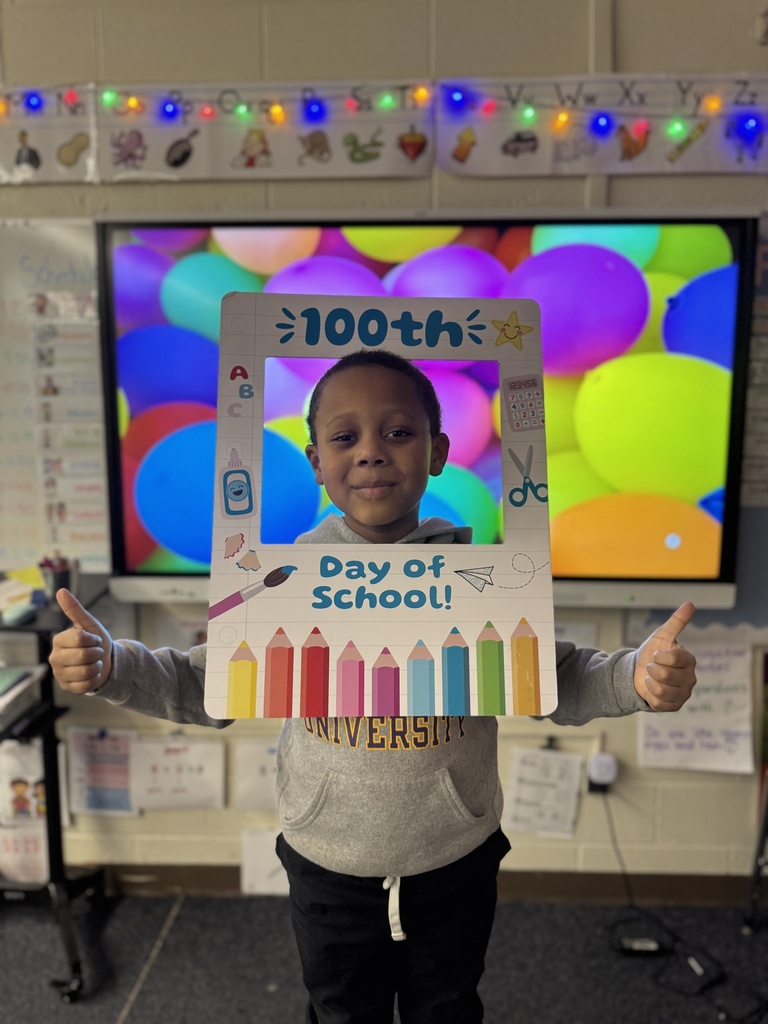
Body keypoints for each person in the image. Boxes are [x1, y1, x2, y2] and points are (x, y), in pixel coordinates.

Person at [50, 350, 697, 1024]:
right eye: (344, 437)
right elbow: (199, 684)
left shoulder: (478, 577)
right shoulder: (284, 582)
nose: (370, 454)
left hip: (456, 860)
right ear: (315, 462)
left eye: (397, 432)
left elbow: (556, 678)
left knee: (447, 1008)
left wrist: (635, 677)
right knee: (340, 1011)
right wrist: (114, 664)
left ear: (438, 450)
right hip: (326, 865)